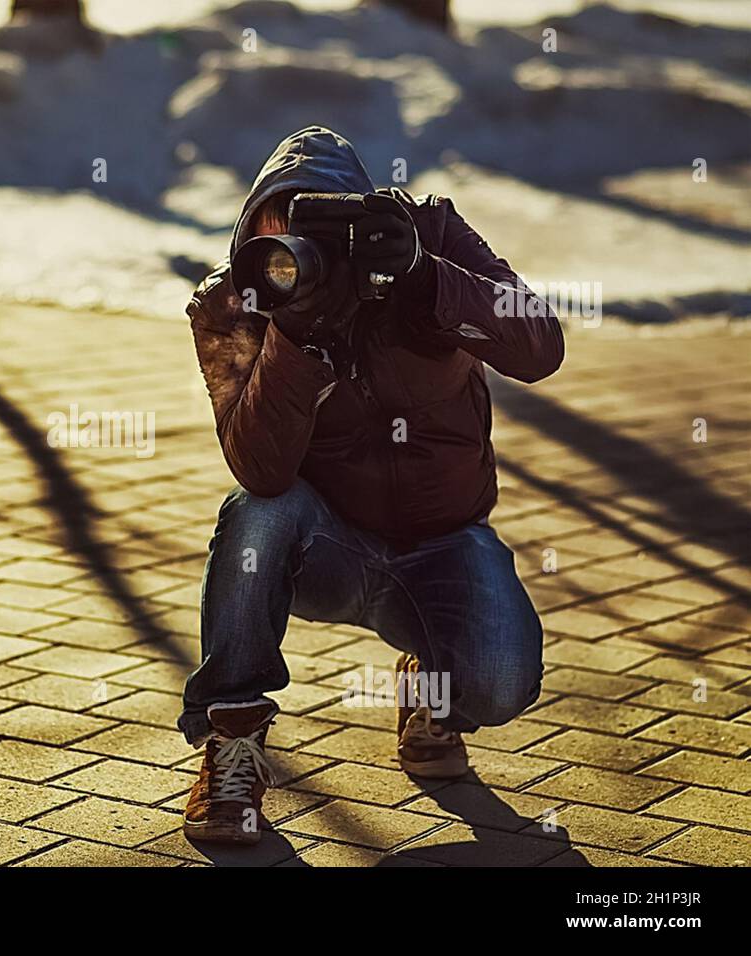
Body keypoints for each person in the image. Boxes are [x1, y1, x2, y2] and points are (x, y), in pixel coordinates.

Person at [180, 127, 564, 845]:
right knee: (256, 513)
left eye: (320, 225)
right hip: (327, 549)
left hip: (444, 542)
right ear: (252, 228)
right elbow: (261, 470)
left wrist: (426, 280)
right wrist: (296, 341)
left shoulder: (429, 234)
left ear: (360, 213)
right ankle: (232, 741)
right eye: (280, 229)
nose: (301, 249)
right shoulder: (239, 300)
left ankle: (432, 685)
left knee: (503, 680)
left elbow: (541, 344)